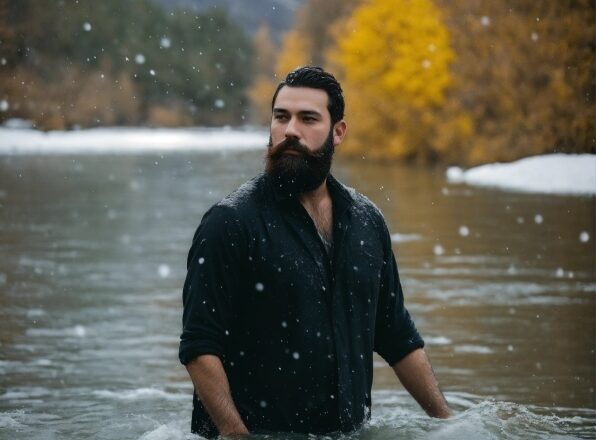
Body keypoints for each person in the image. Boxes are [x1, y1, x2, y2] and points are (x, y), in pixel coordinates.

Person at [179, 66, 451, 438]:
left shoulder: (366, 222)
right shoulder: (229, 223)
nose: (290, 130)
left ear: (338, 132)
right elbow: (199, 346)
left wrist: (450, 424)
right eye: (281, 117)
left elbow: (397, 336)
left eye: (308, 119)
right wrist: (236, 434)